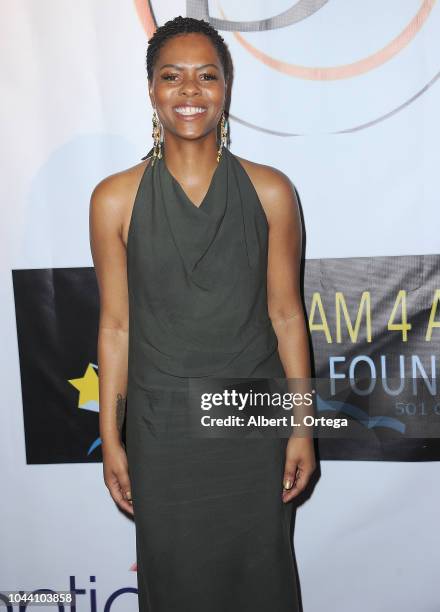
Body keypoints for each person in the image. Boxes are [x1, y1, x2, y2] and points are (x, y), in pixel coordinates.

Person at [89, 15, 316, 612]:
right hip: (163, 432)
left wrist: (300, 425)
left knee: (259, 582)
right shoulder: (114, 198)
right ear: (151, 91)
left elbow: (288, 316)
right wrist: (110, 436)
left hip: (253, 422)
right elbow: (116, 326)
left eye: (206, 76)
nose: (190, 91)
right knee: (177, 589)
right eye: (172, 76)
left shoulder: (271, 191)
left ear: (226, 88)